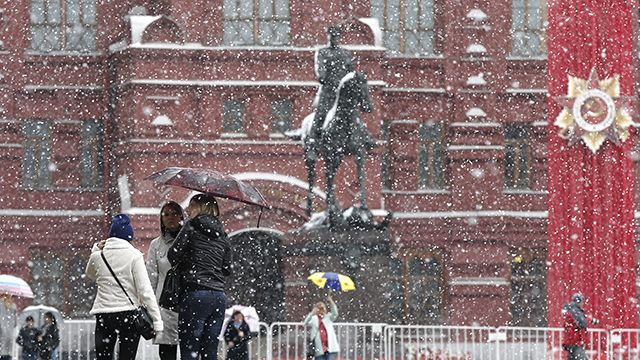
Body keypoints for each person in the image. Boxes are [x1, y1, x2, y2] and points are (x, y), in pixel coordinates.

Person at [85, 213, 164, 360]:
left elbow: (90, 274)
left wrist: (96, 249)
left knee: (104, 356)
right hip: (128, 314)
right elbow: (145, 290)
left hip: (104, 313)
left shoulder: (98, 256)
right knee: (127, 356)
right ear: (129, 236)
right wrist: (157, 320)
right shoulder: (134, 255)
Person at [168, 194, 232, 360]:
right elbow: (227, 268)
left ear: (201, 208)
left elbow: (172, 255)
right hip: (218, 297)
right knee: (210, 352)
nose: (187, 210)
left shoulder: (191, 226)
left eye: (192, 206)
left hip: (195, 294)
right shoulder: (223, 234)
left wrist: (188, 260)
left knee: (189, 352)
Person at [146, 201, 184, 360]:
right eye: (166, 214)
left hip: (187, 301)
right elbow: (151, 277)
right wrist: (150, 306)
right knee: (167, 352)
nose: (170, 218)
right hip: (164, 305)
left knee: (190, 350)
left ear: (181, 216)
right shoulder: (156, 245)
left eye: (174, 213)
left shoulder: (191, 241)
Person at [310, 26, 354, 148]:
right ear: (328, 37)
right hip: (329, 90)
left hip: (343, 91)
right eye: (332, 36)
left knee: (353, 113)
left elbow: (351, 70)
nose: (334, 39)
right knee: (321, 113)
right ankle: (314, 140)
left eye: (336, 36)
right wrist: (323, 77)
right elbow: (320, 67)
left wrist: (350, 82)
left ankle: (362, 137)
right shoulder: (323, 52)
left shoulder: (346, 53)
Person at [562, 293, 597, 360]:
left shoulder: (571, 310)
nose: (583, 304)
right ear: (579, 302)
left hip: (570, 341)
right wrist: (589, 319)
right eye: (582, 301)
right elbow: (582, 323)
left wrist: (588, 318)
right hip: (575, 341)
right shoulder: (575, 311)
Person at [303, 294, 340, 360]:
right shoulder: (314, 319)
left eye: (322, 308)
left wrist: (331, 303)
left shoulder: (328, 317)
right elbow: (305, 323)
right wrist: (312, 313)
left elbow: (335, 313)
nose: (321, 310)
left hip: (329, 347)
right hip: (318, 347)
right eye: (319, 309)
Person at [0, 294, 17, 360]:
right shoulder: (13, 307)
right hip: (9, 338)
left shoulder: (0, 305)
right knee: (7, 355)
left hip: (1, 337)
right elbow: (15, 323)